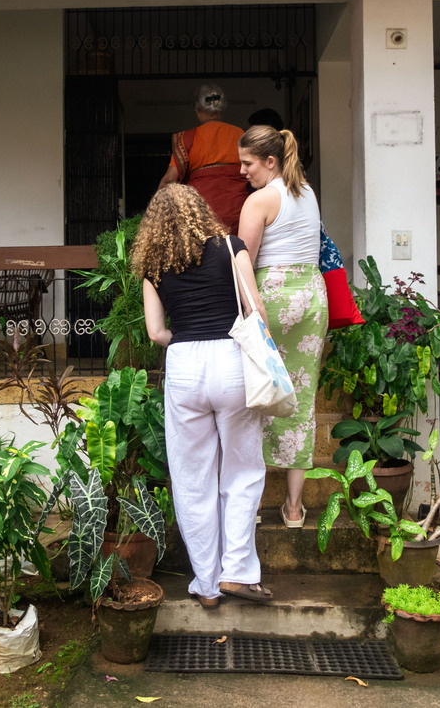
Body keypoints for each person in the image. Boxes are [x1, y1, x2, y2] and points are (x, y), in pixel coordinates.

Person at [134, 184, 273, 607]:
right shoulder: (232, 247)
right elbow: (256, 311)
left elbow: (156, 332)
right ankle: (238, 572)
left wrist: (189, 341)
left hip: (184, 364)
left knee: (193, 479)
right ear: (201, 211)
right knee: (242, 470)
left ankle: (208, 585)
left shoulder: (153, 265)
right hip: (232, 359)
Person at [236, 125, 329, 529]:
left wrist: (251, 315)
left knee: (256, 394)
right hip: (311, 295)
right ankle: (293, 509)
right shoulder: (306, 193)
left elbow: (244, 265)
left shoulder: (258, 201)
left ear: (269, 161)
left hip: (272, 296)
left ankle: (252, 508)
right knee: (300, 398)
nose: (242, 171)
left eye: (247, 163)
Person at [158, 83, 251, 234]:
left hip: (201, 217)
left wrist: (158, 213)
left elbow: (170, 179)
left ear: (197, 110)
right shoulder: (240, 134)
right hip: (238, 215)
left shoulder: (186, 139)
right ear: (222, 108)